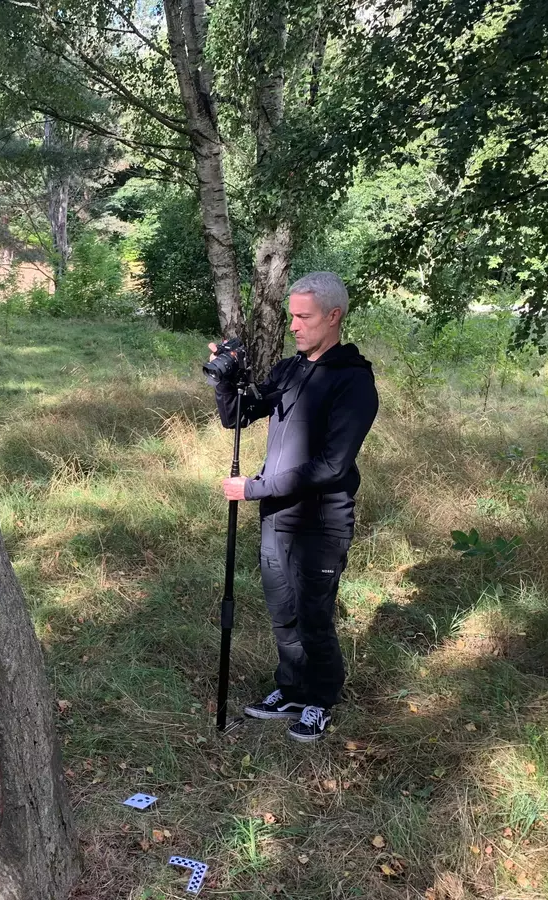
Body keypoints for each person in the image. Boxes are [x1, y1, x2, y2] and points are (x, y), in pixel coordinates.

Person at [211, 272, 378, 742]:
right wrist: (227, 380)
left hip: (321, 522)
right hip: (277, 516)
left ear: (333, 316)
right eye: (291, 316)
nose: (294, 326)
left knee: (314, 616)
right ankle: (290, 689)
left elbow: (330, 465)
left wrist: (255, 488)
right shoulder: (291, 369)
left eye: (303, 317)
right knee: (282, 612)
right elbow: (237, 417)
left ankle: (320, 700)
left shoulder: (354, 381)